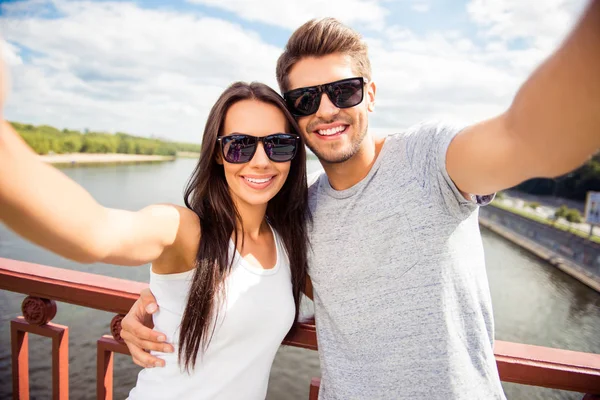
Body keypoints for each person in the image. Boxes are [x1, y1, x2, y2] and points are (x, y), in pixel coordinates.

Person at [127, 3, 599, 399]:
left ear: (369, 94)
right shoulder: (298, 217)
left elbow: (528, 138)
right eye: (306, 99)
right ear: (294, 117)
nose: (327, 109)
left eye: (344, 90)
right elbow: (242, 281)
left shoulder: (432, 161)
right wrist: (152, 308)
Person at [0, 81, 311, 399]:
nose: (261, 160)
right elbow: (95, 233)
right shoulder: (183, 230)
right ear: (217, 153)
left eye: (278, 144)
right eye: (240, 145)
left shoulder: (287, 242)